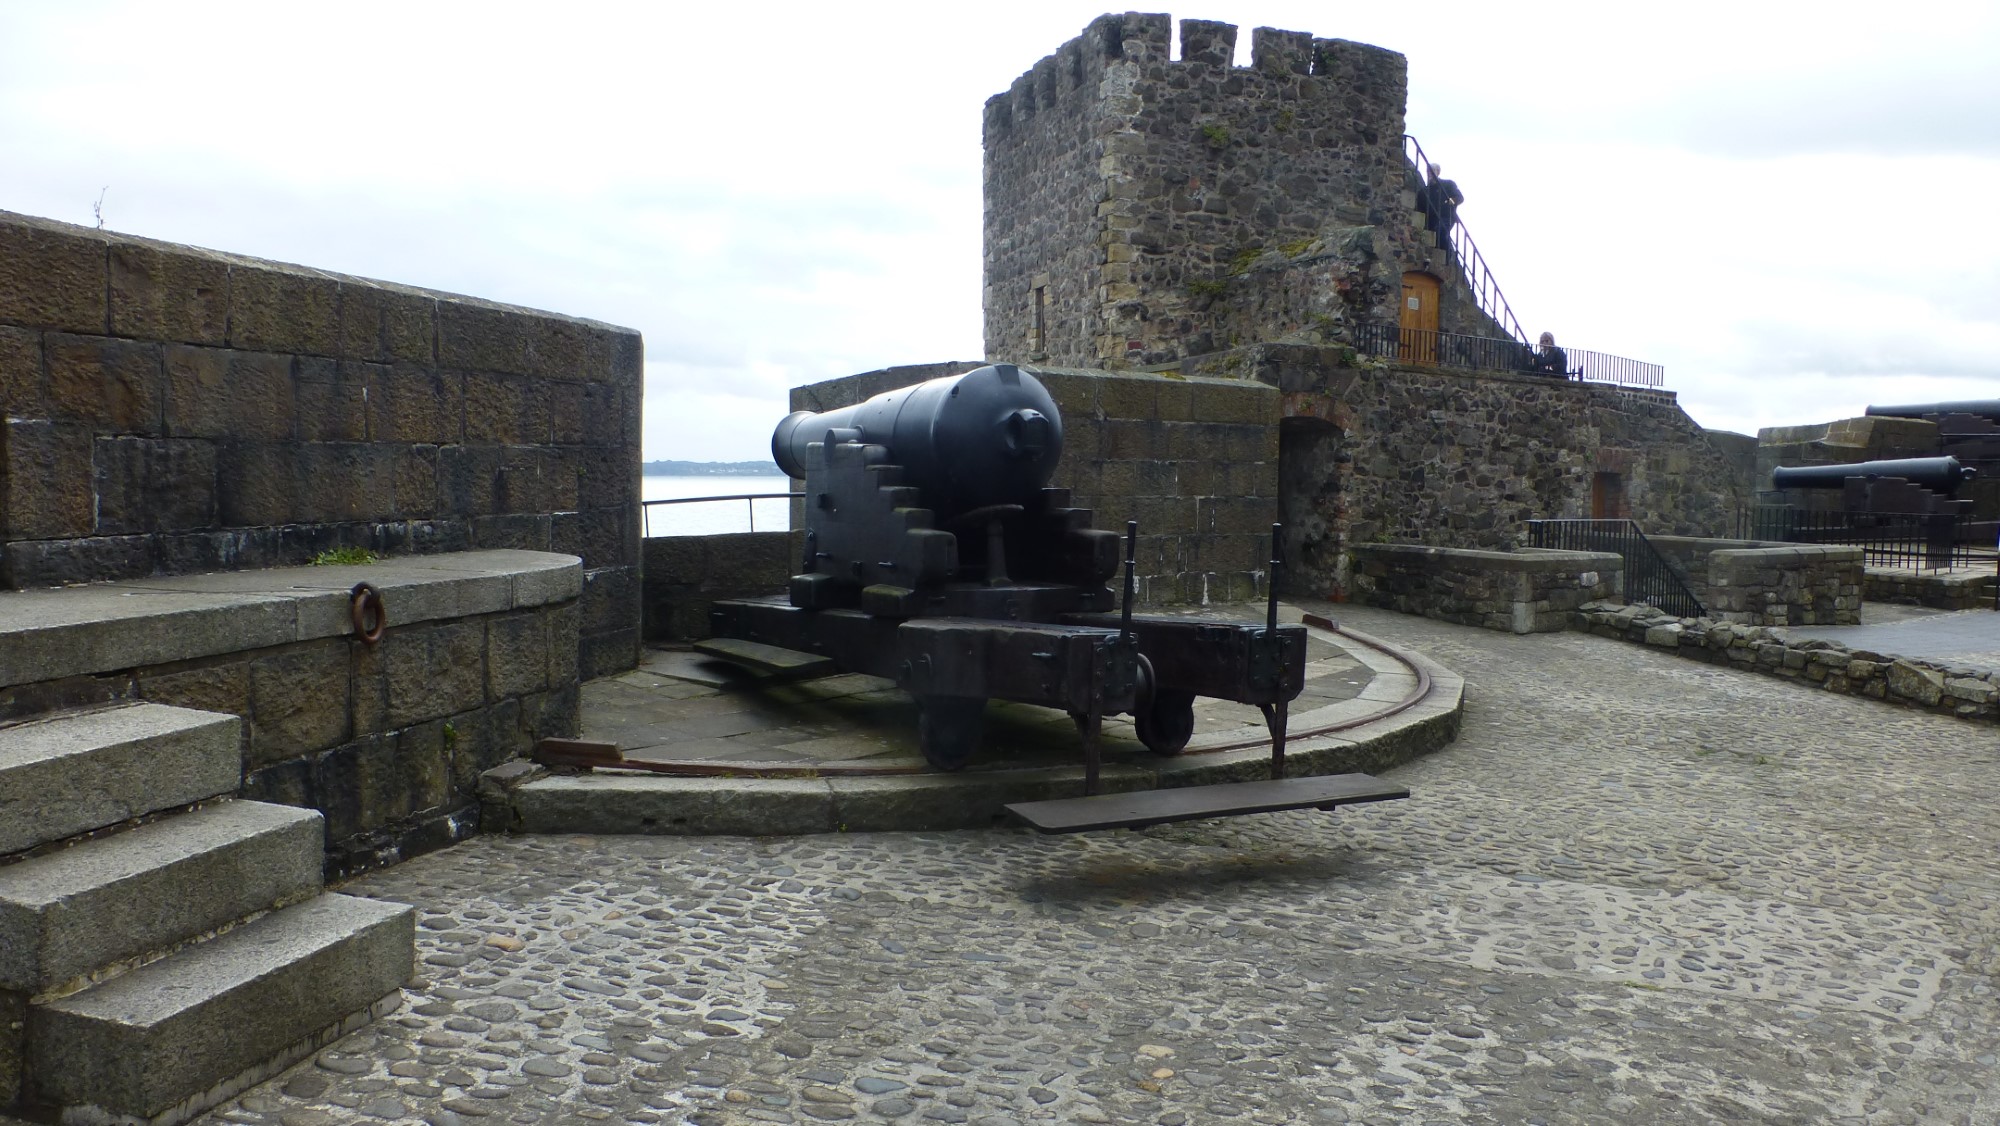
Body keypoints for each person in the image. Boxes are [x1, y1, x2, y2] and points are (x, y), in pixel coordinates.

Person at [1424, 163, 1463, 251]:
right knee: (1437, 232)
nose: (1429, 173)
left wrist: (1450, 201)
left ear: (1438, 172)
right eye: (1428, 171)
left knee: (1441, 230)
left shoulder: (1448, 184)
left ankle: (1447, 257)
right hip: (1432, 219)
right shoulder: (1425, 191)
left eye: (1431, 171)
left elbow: (1460, 197)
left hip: (1447, 217)